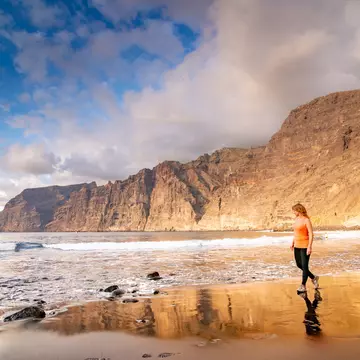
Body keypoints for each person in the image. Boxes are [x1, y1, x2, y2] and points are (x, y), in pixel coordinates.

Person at [290, 203, 319, 292]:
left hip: (305, 245)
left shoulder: (306, 220)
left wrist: (309, 246)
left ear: (298, 210)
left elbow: (311, 234)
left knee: (305, 266)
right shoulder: (296, 219)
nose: (293, 212)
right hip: (297, 245)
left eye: (294, 211)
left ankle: (303, 285)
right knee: (299, 264)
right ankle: (313, 277)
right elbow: (295, 233)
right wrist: (292, 242)